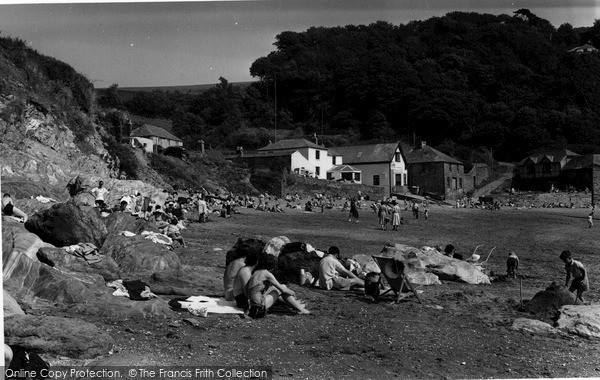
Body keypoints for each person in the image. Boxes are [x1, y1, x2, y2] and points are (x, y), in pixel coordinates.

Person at [245, 255, 310, 317]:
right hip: (259, 308)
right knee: (280, 289)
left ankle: (297, 307)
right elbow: (282, 290)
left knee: (275, 288)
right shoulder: (267, 274)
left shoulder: (256, 272)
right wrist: (293, 293)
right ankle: (300, 309)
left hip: (252, 306)